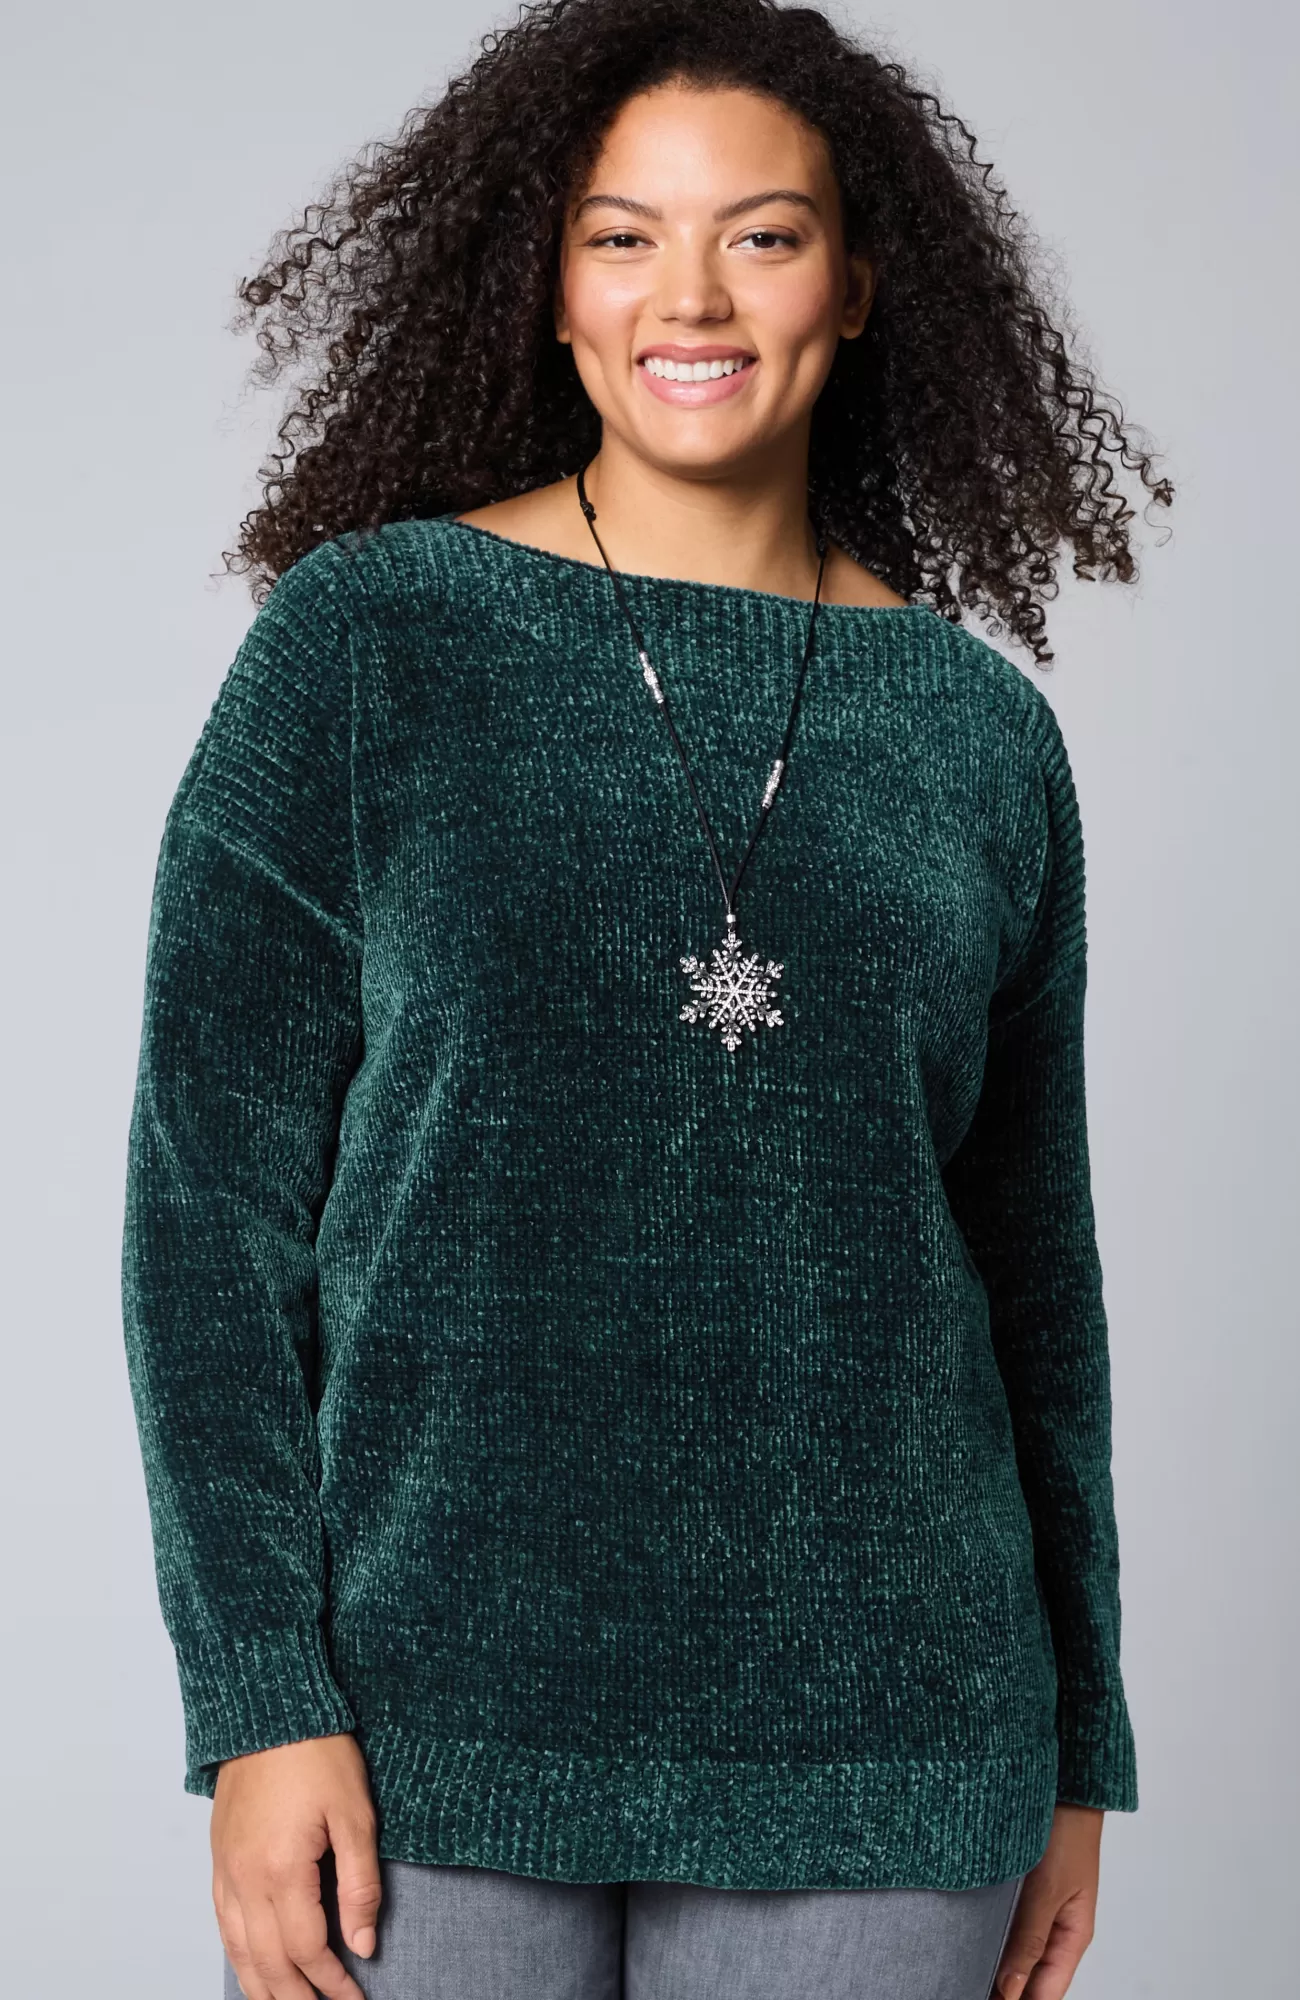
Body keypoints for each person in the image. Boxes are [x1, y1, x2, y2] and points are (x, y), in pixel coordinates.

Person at [120, 2, 1170, 1995]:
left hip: (897, 1746)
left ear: (857, 282)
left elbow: (1037, 1279)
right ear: (547, 283)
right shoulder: (370, 645)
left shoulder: (976, 733)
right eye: (620, 237)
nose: (689, 296)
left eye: (761, 235)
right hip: (424, 1723)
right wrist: (257, 1697)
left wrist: (1075, 1754)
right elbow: (208, 1218)